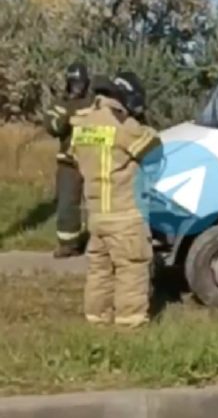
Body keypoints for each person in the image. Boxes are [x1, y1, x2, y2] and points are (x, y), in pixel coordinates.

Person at [54, 73, 162, 328]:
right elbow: (154, 151)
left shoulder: (83, 124)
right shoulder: (123, 125)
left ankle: (96, 320)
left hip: (97, 214)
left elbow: (74, 157)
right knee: (131, 268)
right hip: (124, 213)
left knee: (99, 271)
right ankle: (129, 323)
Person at [44, 62, 93, 258]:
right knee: (67, 204)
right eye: (73, 84)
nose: (77, 88)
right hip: (68, 162)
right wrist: (68, 117)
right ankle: (68, 244)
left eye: (80, 84)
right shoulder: (59, 104)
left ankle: (100, 243)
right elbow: (52, 126)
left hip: (94, 161)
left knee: (98, 203)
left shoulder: (95, 103)